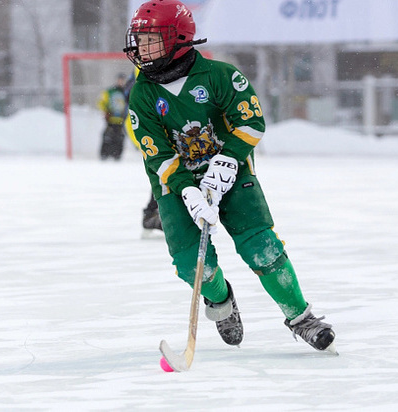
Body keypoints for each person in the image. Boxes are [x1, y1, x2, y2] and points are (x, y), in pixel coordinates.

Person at [123, 0, 336, 352]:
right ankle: (221, 301)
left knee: (262, 248)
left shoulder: (220, 76)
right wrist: (189, 192)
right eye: (139, 39)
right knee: (193, 266)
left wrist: (226, 162)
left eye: (151, 40)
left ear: (178, 39)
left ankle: (301, 317)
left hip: (234, 176)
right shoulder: (143, 93)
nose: (141, 48)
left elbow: (251, 122)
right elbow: (156, 152)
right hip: (174, 185)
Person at [124, 69, 163, 237]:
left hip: (148, 127)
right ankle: (154, 213)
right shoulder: (145, 74)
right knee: (165, 171)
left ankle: (153, 213)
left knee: (165, 172)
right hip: (144, 127)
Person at [97, 73, 129, 160]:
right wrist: (105, 111)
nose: (121, 82)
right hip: (110, 119)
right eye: (119, 79)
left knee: (120, 138)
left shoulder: (127, 92)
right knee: (107, 137)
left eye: (122, 80)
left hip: (122, 120)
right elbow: (101, 102)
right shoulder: (110, 91)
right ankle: (105, 154)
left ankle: (117, 155)